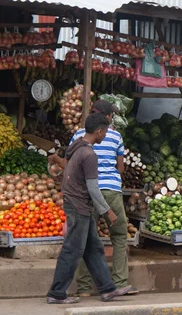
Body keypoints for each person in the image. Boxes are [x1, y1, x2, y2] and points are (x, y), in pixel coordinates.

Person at [49, 100, 137, 296]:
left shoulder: (78, 142)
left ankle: (98, 289)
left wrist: (56, 160)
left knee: (91, 244)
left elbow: (68, 166)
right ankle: (57, 293)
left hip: (83, 200)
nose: (106, 134)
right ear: (99, 129)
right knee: (79, 247)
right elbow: (97, 183)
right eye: (104, 130)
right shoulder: (91, 153)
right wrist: (107, 210)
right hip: (89, 199)